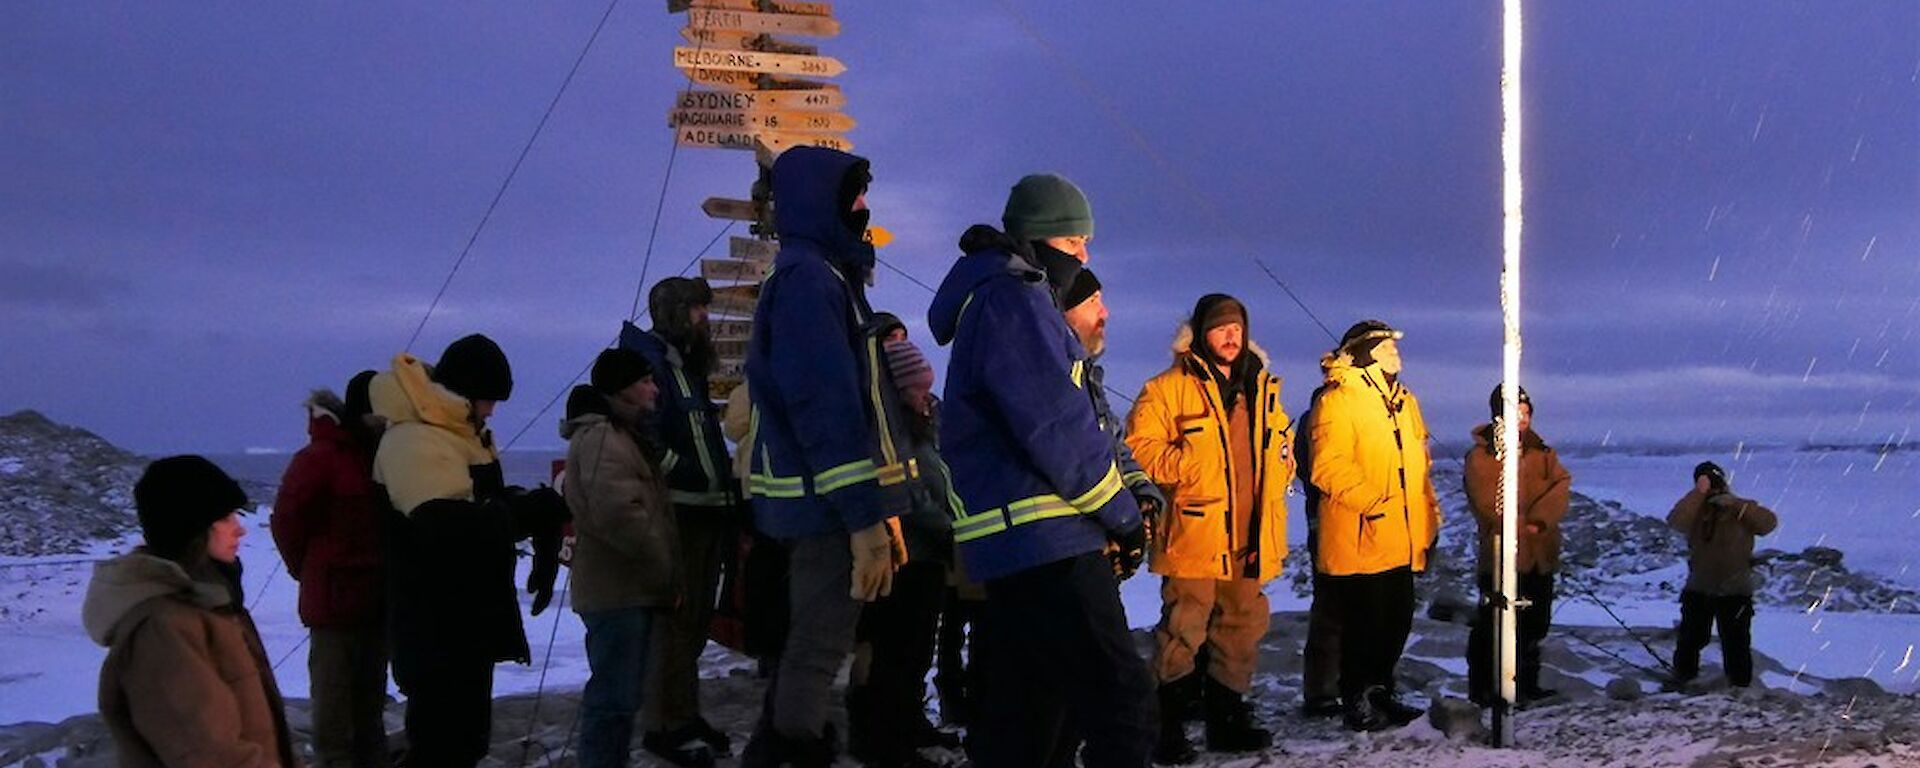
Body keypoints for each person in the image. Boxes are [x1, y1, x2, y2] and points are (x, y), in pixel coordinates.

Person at [929, 173, 1154, 767]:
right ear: (1043, 239)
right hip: (1045, 542)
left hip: (1017, 545)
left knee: (1028, 712)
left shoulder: (1001, 298)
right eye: (1076, 244)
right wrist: (1124, 518)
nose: (1083, 258)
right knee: (1121, 701)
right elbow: (1056, 429)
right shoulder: (1015, 300)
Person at [739, 145, 909, 768]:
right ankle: (791, 752)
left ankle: (782, 743)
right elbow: (826, 407)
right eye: (853, 195)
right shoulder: (811, 279)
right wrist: (863, 516)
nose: (864, 207)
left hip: (824, 500)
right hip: (824, 505)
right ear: (822, 202)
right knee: (820, 640)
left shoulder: (820, 274)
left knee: (812, 639)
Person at [371, 334, 569, 767]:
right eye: (487, 399)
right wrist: (523, 514)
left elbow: (483, 501)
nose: (492, 410)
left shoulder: (462, 434)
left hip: (467, 619)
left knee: (465, 742)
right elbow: (446, 525)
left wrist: (539, 518)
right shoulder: (415, 439)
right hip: (434, 623)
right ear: (462, 393)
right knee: (441, 746)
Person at [1126, 294, 1291, 763]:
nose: (1231, 336)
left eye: (1237, 327)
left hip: (1251, 532)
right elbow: (1138, 449)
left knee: (1241, 626)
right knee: (1184, 628)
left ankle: (1227, 721)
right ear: (1201, 333)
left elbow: (1280, 446)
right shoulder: (1168, 388)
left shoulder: (1262, 388)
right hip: (1194, 533)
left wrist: (1284, 464)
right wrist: (1191, 466)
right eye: (1221, 328)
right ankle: (1165, 727)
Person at [84, 455, 299, 767]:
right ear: (192, 528)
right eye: (225, 518)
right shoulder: (162, 628)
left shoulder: (209, 604)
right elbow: (208, 754)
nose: (240, 530)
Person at [620, 278, 738, 765]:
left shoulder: (683, 364)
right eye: (696, 309)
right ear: (674, 312)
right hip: (679, 510)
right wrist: (684, 471)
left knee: (694, 621)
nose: (704, 317)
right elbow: (646, 434)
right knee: (673, 620)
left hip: (707, 508)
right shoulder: (652, 365)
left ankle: (684, 712)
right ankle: (663, 725)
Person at [1305, 320, 1441, 732]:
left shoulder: (1404, 402)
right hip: (1361, 535)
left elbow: (1419, 465)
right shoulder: (1338, 401)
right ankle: (1357, 698)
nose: (1395, 354)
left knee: (1396, 620)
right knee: (1363, 624)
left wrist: (1429, 518)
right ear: (1364, 353)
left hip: (1402, 535)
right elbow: (1328, 466)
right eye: (1385, 347)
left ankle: (1380, 692)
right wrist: (1374, 505)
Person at [845, 313, 964, 768]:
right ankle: (883, 738)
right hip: (903, 552)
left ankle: (908, 720)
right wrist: (953, 527)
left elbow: (943, 477)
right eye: (916, 389)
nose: (924, 398)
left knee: (917, 649)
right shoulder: (892, 433)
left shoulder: (927, 421)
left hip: (930, 554)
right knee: (893, 649)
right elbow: (912, 494)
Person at [564, 349, 684, 768]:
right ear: (622, 389)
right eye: (645, 380)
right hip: (617, 591)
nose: (654, 388)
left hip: (629, 588)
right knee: (612, 700)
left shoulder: (623, 433)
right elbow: (617, 512)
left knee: (621, 698)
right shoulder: (602, 437)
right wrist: (660, 564)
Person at [271, 371, 392, 767]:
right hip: (335, 606)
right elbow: (287, 520)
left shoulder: (380, 454)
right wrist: (310, 572)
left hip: (376, 601)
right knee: (335, 714)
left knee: (370, 711)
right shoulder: (322, 458)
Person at [1462, 385, 1572, 706]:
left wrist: (1539, 521)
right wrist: (1517, 526)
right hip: (1500, 557)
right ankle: (1486, 688)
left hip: (1539, 555)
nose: (1523, 419)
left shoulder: (1542, 452)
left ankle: (1524, 683)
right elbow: (1487, 502)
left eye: (1526, 413)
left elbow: (1561, 486)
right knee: (1492, 625)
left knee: (1534, 624)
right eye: (1516, 412)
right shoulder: (1483, 456)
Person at [1667, 461, 1777, 689]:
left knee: (1735, 642)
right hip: (1700, 587)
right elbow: (1676, 521)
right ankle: (1684, 680)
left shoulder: (1741, 509)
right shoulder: (1696, 510)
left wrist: (1736, 505)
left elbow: (1768, 524)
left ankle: (1739, 686)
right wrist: (1699, 494)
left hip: (1734, 588)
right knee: (1691, 639)